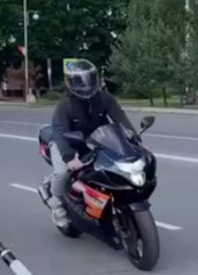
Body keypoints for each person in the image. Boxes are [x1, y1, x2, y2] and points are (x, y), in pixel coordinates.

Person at [42, 58, 138, 228]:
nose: (85, 85)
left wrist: (135, 141)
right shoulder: (65, 106)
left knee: (115, 167)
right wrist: (69, 157)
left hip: (97, 141)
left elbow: (121, 119)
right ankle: (57, 205)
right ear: (70, 82)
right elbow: (60, 133)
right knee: (63, 172)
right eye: (79, 81)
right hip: (68, 144)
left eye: (89, 79)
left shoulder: (105, 99)